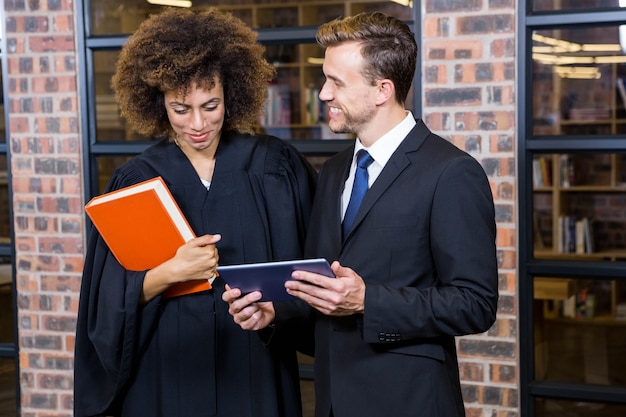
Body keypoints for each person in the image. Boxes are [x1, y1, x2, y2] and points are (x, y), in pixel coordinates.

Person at [224, 11, 499, 417]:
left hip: (412, 404)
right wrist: (273, 315)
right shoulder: (335, 171)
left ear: (382, 90)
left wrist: (369, 300)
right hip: (333, 402)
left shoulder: (452, 173)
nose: (323, 94)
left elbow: (475, 304)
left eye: (336, 82)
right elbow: (325, 290)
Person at [74, 8, 317, 417]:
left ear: (232, 94)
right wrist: (172, 271)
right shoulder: (135, 181)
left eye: (211, 105)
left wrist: (277, 312)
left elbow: (315, 270)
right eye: (180, 109)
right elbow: (104, 306)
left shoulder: (275, 167)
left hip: (254, 366)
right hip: (167, 374)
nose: (198, 123)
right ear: (158, 103)